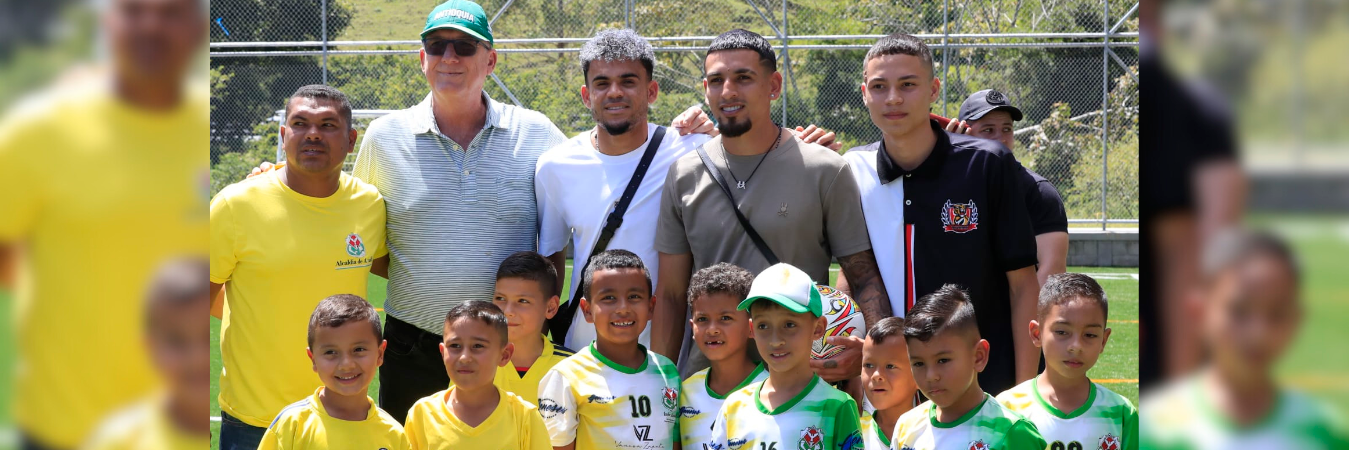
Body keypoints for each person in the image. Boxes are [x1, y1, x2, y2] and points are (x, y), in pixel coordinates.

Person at [537, 28, 841, 349]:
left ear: (652, 91)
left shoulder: (690, 148)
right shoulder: (555, 165)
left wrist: (807, 144)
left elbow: (756, 141)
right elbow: (551, 264)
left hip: (674, 348)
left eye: (628, 81)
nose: (615, 92)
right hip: (582, 347)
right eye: (602, 83)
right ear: (586, 95)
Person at [0, 0, 207, 447]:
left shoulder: (206, 127)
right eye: (134, 11)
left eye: (170, 12)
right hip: (64, 429)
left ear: (197, 28)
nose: (151, 25)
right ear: (108, 24)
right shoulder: (40, 130)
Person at [654, 28, 891, 382]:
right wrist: (663, 385)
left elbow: (864, 276)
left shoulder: (824, 169)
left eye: (743, 78)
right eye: (716, 80)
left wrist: (871, 352)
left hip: (801, 385)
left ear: (774, 85)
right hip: (709, 385)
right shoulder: (684, 174)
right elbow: (672, 295)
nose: (728, 91)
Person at [840, 33, 1040, 395]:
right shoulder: (853, 167)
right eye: (879, 86)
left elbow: (1023, 284)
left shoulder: (986, 164)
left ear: (933, 89)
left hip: (982, 383)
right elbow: (851, 275)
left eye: (908, 84)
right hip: (893, 387)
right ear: (864, 92)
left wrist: (1025, 393)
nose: (894, 98)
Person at [209, 84, 388, 449]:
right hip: (255, 421)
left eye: (327, 125)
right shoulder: (235, 204)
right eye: (300, 123)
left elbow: (395, 270)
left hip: (342, 418)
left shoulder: (369, 206)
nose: (312, 135)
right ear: (283, 134)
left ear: (352, 139)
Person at [1139, 229, 1349, 449]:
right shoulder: (1155, 431)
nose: (1258, 333)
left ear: (1297, 320)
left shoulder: (1326, 433)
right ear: (1199, 312)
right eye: (1239, 311)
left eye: (1277, 313)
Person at [707, 263, 863, 450]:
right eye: (763, 326)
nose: (775, 340)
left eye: (789, 325)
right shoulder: (734, 405)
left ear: (818, 328)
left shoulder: (838, 406)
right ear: (751, 330)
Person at [537, 250, 682, 450]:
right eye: (609, 298)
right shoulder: (565, 377)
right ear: (587, 310)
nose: (623, 308)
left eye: (634, 296)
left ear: (651, 306)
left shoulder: (667, 371)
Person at [890, 285, 1047, 449]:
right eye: (919, 364)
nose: (931, 375)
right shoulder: (906, 427)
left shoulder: (1013, 433)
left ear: (979, 356)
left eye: (943, 360)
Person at [996, 273, 1137, 450]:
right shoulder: (1005, 408)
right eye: (1062, 332)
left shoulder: (1121, 413)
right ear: (1036, 334)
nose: (1076, 346)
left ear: (1103, 340)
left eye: (1090, 335)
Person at [81, 259, 211, 450]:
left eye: (207, 338)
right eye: (177, 341)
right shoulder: (120, 440)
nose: (197, 359)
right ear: (150, 349)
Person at [948, 89, 1069, 285]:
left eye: (1007, 129)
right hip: (955, 312)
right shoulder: (944, 184)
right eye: (988, 130)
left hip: (1016, 312)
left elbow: (1051, 274)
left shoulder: (1038, 192)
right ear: (963, 134)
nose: (1001, 138)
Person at [258, 295, 408, 450]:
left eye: (359, 349)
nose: (346, 365)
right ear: (313, 359)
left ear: (380, 354)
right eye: (330, 352)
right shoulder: (293, 424)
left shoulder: (393, 433)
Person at [404, 301, 552, 449]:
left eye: (478, 346)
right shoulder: (422, 413)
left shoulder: (524, 417)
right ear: (443, 352)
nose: (464, 357)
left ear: (505, 355)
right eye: (455, 346)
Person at [676, 263, 767, 449]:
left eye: (725, 318)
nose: (712, 329)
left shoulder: (771, 389)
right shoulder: (684, 392)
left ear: (752, 327)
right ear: (692, 326)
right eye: (702, 319)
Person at [489, 251, 575, 405]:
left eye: (522, 301)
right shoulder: (476, 361)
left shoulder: (572, 367)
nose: (508, 311)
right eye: (500, 299)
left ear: (550, 308)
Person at [858, 317, 917, 450]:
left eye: (890, 366)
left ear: (918, 376)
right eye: (868, 365)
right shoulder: (853, 433)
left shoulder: (932, 432)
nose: (876, 375)